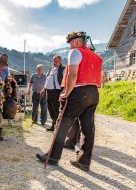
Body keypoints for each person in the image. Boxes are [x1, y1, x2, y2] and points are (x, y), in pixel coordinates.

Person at [36, 31, 102, 171]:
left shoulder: (76, 52)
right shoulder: (96, 56)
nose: (70, 45)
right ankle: (84, 161)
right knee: (88, 129)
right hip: (93, 93)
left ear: (78, 41)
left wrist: (66, 92)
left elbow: (72, 74)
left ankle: (53, 157)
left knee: (63, 123)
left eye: (71, 42)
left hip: (78, 92)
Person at [43, 55, 66, 131]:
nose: (54, 63)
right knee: (50, 109)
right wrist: (44, 89)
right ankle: (54, 125)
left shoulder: (63, 69)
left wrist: (63, 91)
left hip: (57, 92)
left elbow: (65, 81)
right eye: (54, 61)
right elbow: (47, 80)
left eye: (56, 61)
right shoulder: (51, 69)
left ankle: (57, 127)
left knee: (56, 110)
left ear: (60, 61)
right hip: (49, 92)